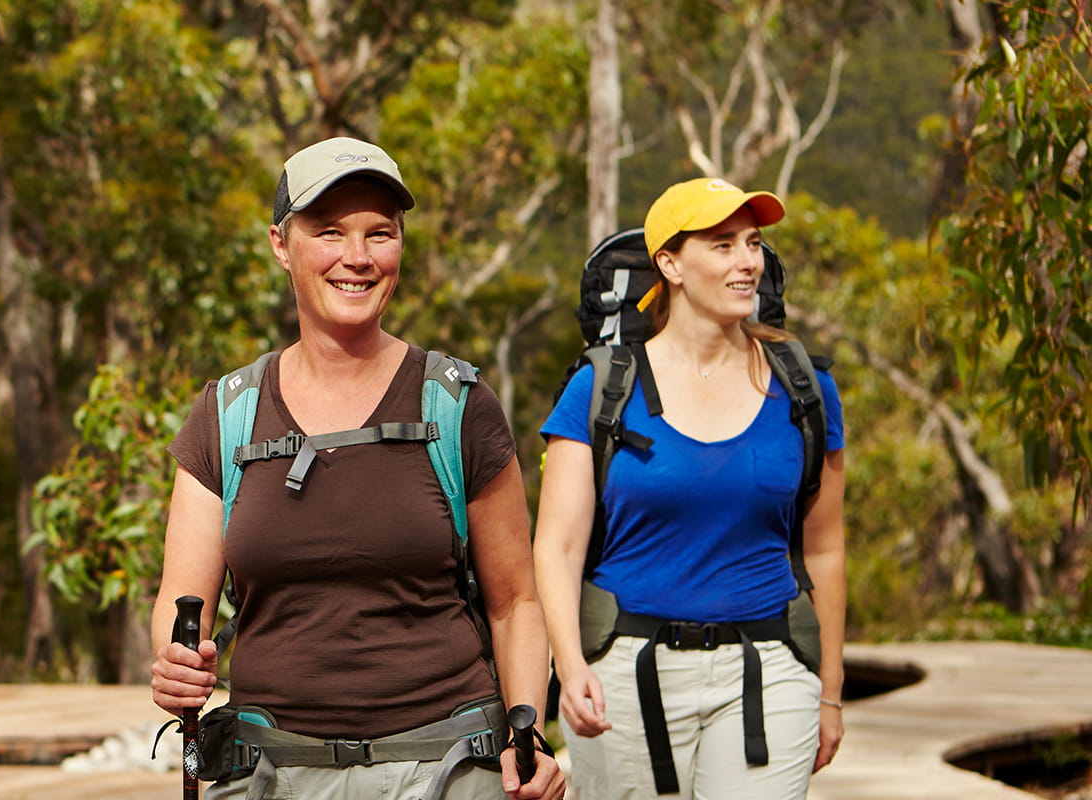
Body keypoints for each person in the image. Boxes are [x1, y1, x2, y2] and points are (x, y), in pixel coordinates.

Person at [148, 137, 564, 800]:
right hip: (269, 771)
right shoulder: (227, 415)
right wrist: (175, 665)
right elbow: (182, 605)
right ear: (281, 245)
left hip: (448, 764)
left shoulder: (457, 406)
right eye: (330, 232)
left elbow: (516, 600)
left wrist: (527, 734)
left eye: (381, 233)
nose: (358, 257)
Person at [533, 178, 848, 799]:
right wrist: (568, 668)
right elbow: (557, 547)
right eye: (723, 244)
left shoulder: (805, 388)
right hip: (626, 671)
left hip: (770, 670)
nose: (746, 261)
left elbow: (827, 547)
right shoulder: (600, 392)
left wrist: (830, 691)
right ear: (670, 264)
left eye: (753, 244)